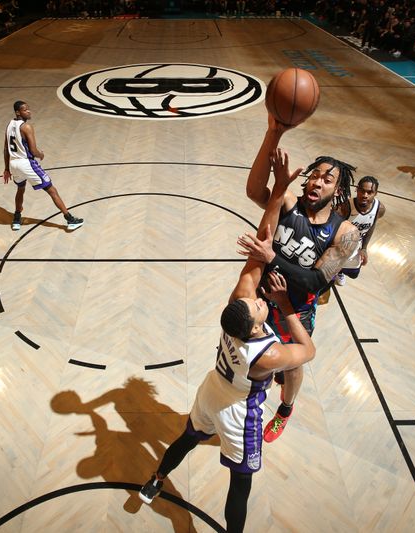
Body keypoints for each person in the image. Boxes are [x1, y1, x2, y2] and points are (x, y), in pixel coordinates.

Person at [138, 148, 315, 533]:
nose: (257, 301)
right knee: (241, 484)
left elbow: (259, 248)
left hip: (211, 391)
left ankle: (154, 480)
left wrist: (278, 191)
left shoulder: (235, 309)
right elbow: (309, 351)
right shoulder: (265, 357)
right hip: (238, 413)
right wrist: (285, 305)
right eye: (259, 307)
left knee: (186, 437)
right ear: (255, 328)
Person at [242, 118, 361, 443]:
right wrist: (271, 136)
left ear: (337, 190)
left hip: (297, 309)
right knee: (253, 358)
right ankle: (249, 395)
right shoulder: (289, 204)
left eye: (327, 179)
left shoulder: (345, 233)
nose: (317, 182)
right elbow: (254, 190)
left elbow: (315, 282)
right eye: (315, 175)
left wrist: (272, 258)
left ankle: (285, 409)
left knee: (293, 367)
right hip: (262, 300)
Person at [3, 100, 84, 231]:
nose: (28, 111)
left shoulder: (9, 125)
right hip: (26, 163)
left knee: (20, 189)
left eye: (28, 109)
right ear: (18, 112)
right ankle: (70, 220)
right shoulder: (26, 127)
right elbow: (34, 151)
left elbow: (6, 149)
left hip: (13, 164)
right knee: (52, 190)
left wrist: (7, 168)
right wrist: (41, 154)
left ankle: (17, 219)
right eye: (25, 109)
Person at [333, 175, 387, 286]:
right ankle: (336, 272)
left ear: (375, 193)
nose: (365, 195)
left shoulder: (379, 209)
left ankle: (340, 272)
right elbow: (332, 229)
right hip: (339, 245)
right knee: (329, 273)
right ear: (357, 189)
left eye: (369, 192)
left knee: (353, 274)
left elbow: (371, 226)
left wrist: (364, 248)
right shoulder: (345, 207)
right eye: (362, 191)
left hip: (356, 246)